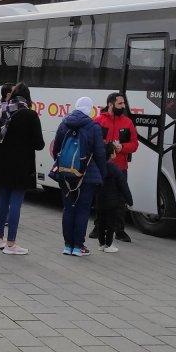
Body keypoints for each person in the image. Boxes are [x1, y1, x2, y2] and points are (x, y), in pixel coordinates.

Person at [0, 84, 44, 255]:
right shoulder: (30, 114)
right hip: (21, 165)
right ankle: (11, 243)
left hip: (2, 163)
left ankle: (0, 238)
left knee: (3, 201)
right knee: (15, 204)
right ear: (27, 97)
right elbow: (39, 144)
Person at [51, 96, 108, 256]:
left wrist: (64, 165)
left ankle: (67, 245)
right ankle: (78, 246)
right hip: (87, 175)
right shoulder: (93, 126)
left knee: (68, 208)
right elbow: (100, 154)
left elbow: (56, 149)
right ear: (89, 109)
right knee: (82, 210)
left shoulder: (64, 123)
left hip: (65, 174)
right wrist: (102, 174)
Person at [94, 92, 138, 243]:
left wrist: (122, 147)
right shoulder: (99, 121)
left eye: (123, 103)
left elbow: (134, 144)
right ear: (111, 104)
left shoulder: (128, 122)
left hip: (120, 167)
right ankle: (98, 227)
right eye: (120, 103)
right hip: (102, 166)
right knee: (100, 197)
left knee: (120, 200)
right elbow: (93, 142)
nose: (123, 106)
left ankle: (119, 230)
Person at [96, 161, 134, 254]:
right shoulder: (115, 169)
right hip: (113, 202)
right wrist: (130, 202)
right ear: (112, 155)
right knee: (111, 224)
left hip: (99, 200)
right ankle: (108, 245)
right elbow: (123, 185)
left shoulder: (98, 166)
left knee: (100, 222)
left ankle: (101, 244)